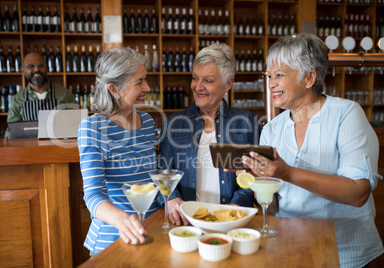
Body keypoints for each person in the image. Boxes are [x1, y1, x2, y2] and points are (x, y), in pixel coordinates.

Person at [240, 33, 383, 268]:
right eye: (269, 75)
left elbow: (358, 193)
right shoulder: (272, 129)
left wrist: (287, 173)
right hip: (290, 249)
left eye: (279, 75)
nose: (270, 83)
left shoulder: (346, 114)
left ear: (309, 78)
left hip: (345, 254)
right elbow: (274, 206)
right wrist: (259, 182)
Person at [158, 42, 260, 226]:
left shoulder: (247, 123)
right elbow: (161, 170)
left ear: (228, 83)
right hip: (185, 222)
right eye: (195, 78)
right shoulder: (174, 124)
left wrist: (235, 208)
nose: (198, 87)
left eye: (208, 80)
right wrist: (171, 199)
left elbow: (251, 179)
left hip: (232, 222)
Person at [77, 47, 160, 255]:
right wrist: (123, 221)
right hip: (112, 240)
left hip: (152, 233)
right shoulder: (93, 127)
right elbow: (93, 195)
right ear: (114, 89)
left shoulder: (148, 122)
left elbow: (154, 179)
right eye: (139, 82)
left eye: (146, 79)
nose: (148, 87)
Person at [5, 52, 77, 138]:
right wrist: (9, 137)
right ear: (23, 70)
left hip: (59, 149)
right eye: (31, 66)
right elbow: (11, 131)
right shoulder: (18, 99)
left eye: (41, 65)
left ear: (46, 68)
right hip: (30, 150)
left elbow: (78, 122)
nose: (36, 69)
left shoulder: (64, 93)